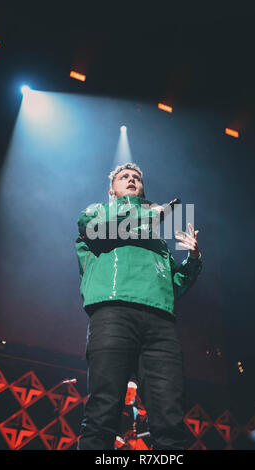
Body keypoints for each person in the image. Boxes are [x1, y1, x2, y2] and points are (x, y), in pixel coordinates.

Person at [75, 163, 202, 450]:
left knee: (170, 419)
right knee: (102, 412)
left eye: (137, 178)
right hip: (113, 311)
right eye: (125, 177)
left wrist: (193, 259)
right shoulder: (97, 212)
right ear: (112, 191)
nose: (132, 180)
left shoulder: (158, 238)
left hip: (160, 322)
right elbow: (97, 232)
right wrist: (150, 212)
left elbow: (173, 285)